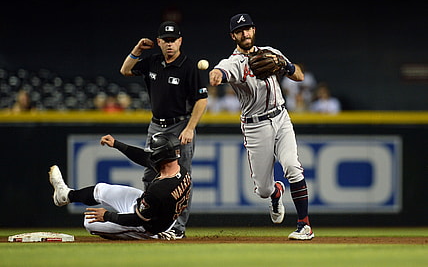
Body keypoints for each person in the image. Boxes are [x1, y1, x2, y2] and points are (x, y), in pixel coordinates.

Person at [209, 13, 314, 240]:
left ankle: (304, 226)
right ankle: (276, 192)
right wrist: (216, 74)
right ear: (233, 36)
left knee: (292, 167)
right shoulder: (234, 62)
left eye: (247, 29)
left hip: (281, 117)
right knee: (263, 191)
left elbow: (299, 75)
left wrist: (285, 65)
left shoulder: (270, 52)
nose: (244, 33)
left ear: (254, 30)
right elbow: (221, 70)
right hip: (256, 127)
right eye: (239, 31)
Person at [120, 21, 208, 238]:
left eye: (173, 40)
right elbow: (125, 70)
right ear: (158, 42)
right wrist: (137, 49)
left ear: (180, 41)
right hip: (156, 126)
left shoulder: (188, 66)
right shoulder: (153, 62)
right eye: (165, 40)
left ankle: (177, 228)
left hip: (180, 125)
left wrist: (190, 128)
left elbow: (202, 100)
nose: (170, 44)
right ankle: (152, 222)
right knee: (150, 174)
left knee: (181, 178)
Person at [48, 132, 191, 240]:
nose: (151, 154)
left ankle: (158, 236)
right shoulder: (178, 169)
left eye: (154, 152)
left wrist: (108, 216)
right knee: (100, 190)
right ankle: (65, 195)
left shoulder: (159, 190)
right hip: (153, 210)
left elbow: (137, 219)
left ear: (161, 155)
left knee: (89, 222)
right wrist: (117, 144)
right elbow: (144, 158)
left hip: (146, 226)